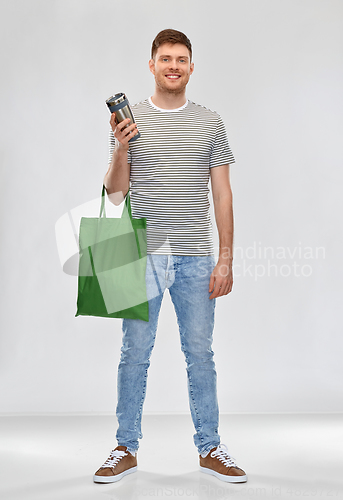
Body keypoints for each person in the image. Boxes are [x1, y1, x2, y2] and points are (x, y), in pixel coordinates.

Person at [93, 29, 247, 484]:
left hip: (196, 256)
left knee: (200, 353)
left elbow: (222, 193)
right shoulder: (132, 119)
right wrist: (123, 145)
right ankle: (124, 447)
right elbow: (115, 194)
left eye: (181, 59)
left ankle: (210, 447)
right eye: (165, 58)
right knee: (134, 354)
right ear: (152, 65)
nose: (173, 65)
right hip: (141, 254)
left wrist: (226, 259)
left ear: (191, 67)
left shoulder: (209, 122)